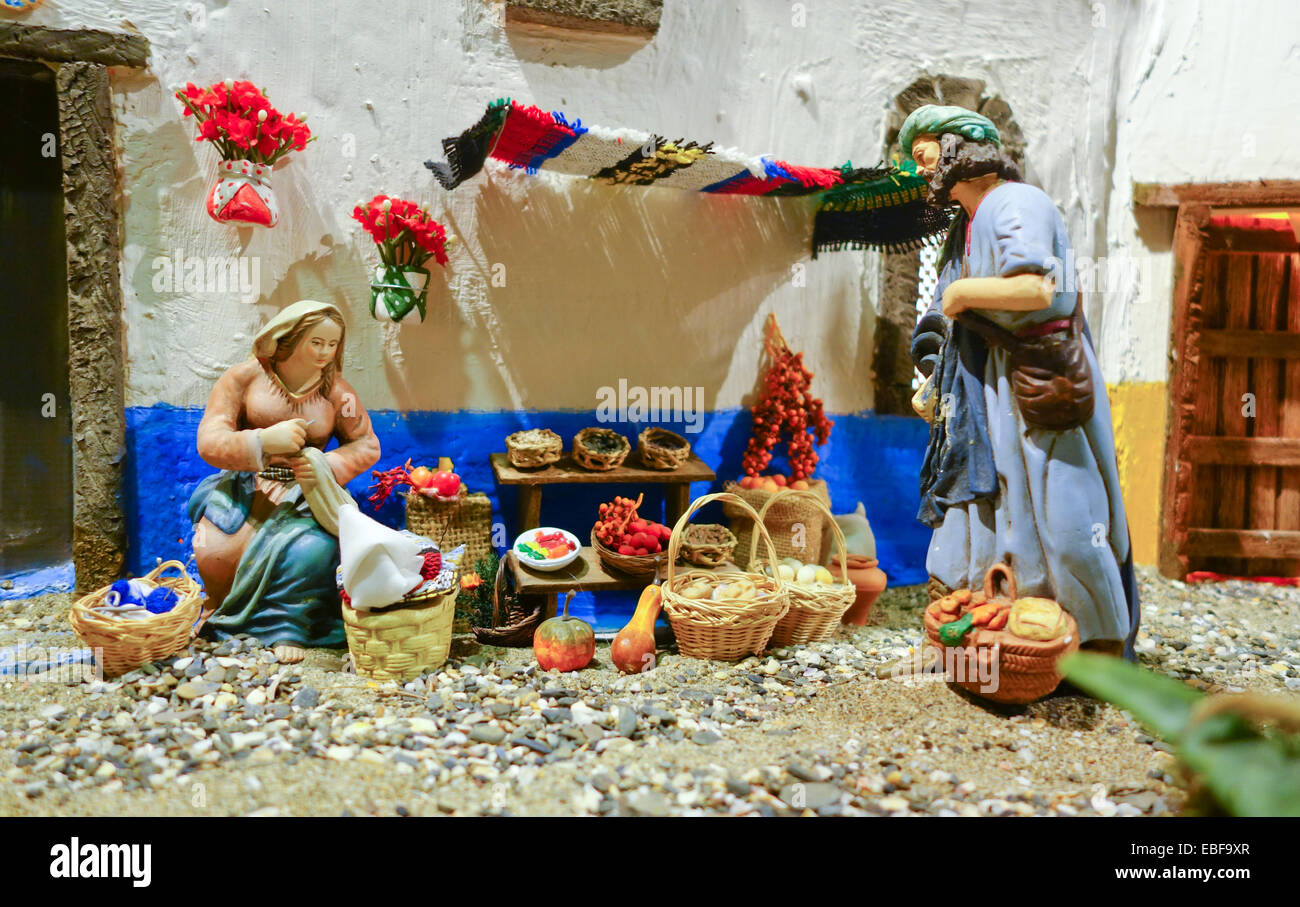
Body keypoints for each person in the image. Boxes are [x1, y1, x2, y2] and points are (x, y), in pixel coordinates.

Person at [903, 105, 1139, 658]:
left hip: (1035, 377)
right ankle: (1008, 622)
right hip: (986, 387)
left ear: (959, 147)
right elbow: (945, 315)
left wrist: (963, 297)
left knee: (1066, 513)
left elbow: (1034, 288)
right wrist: (936, 377)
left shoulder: (1016, 202)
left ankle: (1097, 643)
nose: (919, 171)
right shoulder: (965, 226)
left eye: (923, 155)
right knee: (994, 511)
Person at [188, 300, 380, 663]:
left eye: (332, 344)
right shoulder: (242, 379)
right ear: (288, 338)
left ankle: (289, 626)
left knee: (312, 550)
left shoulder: (338, 392)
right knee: (215, 546)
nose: (325, 352)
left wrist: (325, 465)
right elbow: (210, 440)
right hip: (247, 487)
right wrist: (261, 442)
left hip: (306, 493)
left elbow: (366, 444)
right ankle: (219, 611)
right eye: (316, 342)